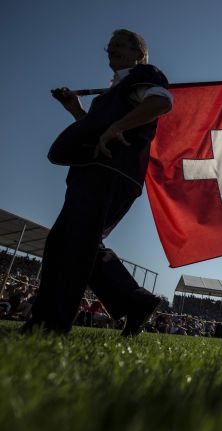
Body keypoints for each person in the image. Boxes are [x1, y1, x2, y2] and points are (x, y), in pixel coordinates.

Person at [22, 29, 173, 336]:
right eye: (109, 46)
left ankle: (49, 325)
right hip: (93, 170)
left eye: (119, 45)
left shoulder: (145, 74)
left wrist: (116, 126)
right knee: (70, 241)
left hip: (112, 172)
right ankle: (135, 301)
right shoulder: (111, 93)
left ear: (139, 53)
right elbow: (97, 129)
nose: (111, 50)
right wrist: (76, 110)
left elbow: (160, 103)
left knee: (73, 242)